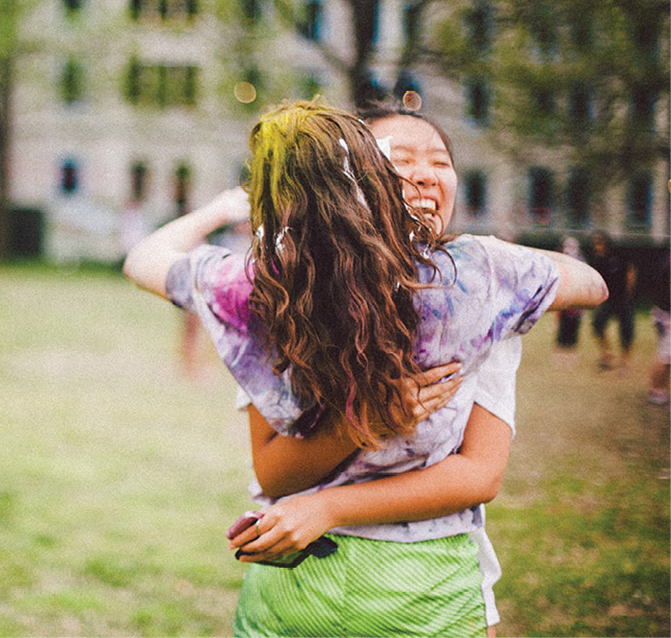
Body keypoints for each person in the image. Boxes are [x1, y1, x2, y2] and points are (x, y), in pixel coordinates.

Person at [124, 100, 606, 636]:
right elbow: (275, 472)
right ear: (353, 182)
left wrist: (219, 210)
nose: (424, 174)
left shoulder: (273, 285)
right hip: (342, 591)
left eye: (440, 161)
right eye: (399, 160)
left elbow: (478, 474)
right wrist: (501, 264)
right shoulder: (478, 286)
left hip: (379, 584)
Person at [588, 230, 637, 370]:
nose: (597, 246)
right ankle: (607, 354)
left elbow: (630, 271)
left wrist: (629, 291)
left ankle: (626, 360)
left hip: (623, 298)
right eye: (595, 244)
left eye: (600, 243)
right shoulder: (597, 260)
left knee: (626, 330)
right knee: (597, 324)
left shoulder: (619, 254)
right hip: (608, 299)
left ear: (606, 243)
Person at [554, 236, 585, 353]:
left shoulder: (580, 262)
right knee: (562, 325)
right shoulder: (560, 261)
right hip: (564, 297)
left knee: (574, 325)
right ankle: (560, 349)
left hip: (575, 299)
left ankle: (571, 351)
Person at [648, 253, 670, 406]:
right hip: (666, 316)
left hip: (663, 314)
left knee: (667, 357)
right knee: (664, 356)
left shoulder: (668, 259)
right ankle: (656, 392)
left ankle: (660, 390)